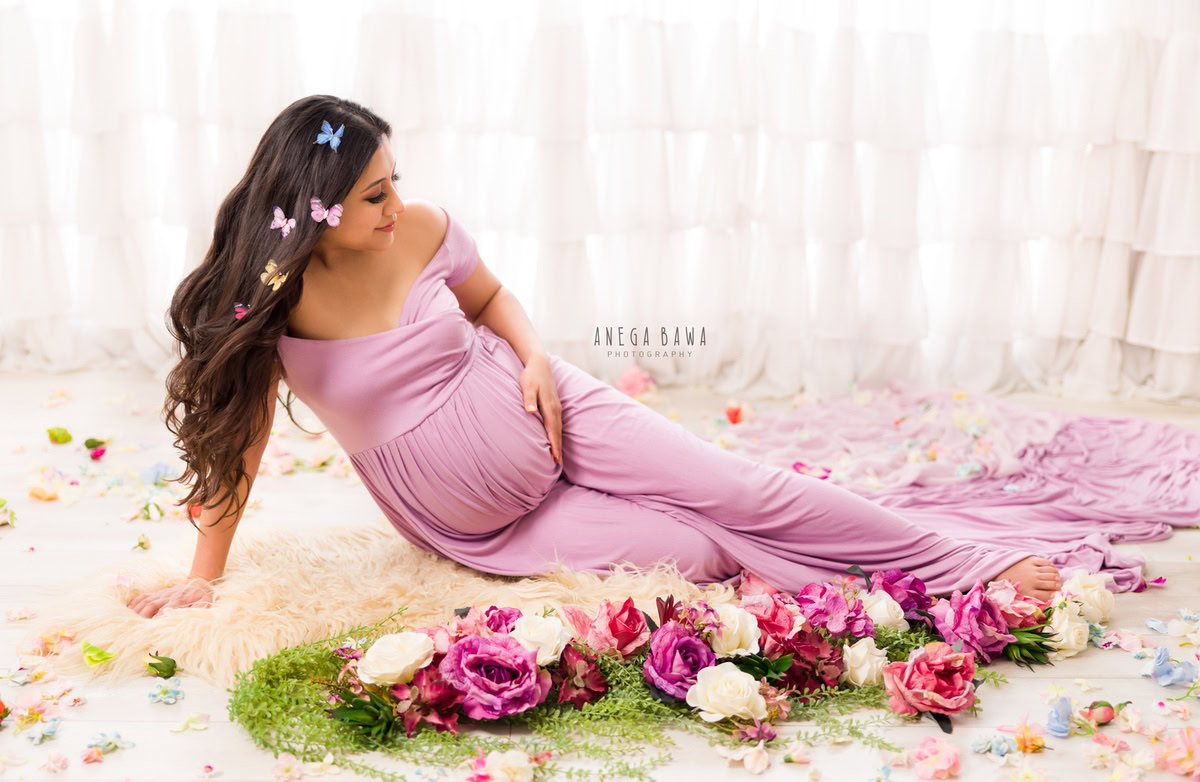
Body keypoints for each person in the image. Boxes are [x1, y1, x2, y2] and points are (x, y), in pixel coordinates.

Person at [128, 95, 1061, 619]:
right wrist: (203, 580)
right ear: (319, 206)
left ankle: (961, 562)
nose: (394, 202)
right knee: (696, 550)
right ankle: (872, 582)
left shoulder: (418, 230)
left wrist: (534, 356)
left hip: (548, 406)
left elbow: (489, 299)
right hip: (480, 523)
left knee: (741, 491)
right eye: (373, 193)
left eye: (393, 182)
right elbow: (237, 449)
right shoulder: (266, 308)